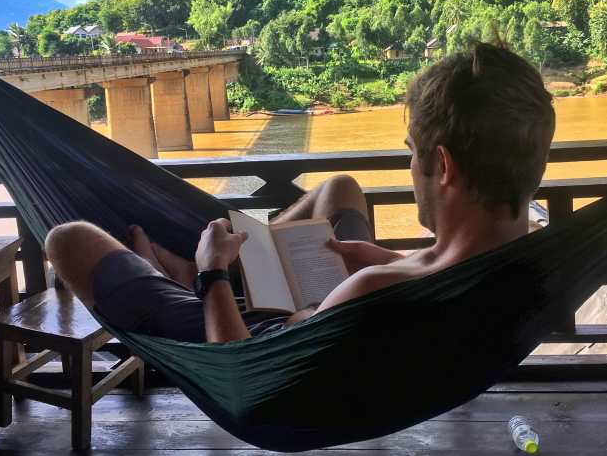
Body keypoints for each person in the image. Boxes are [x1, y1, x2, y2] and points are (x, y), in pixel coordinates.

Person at [45, 42, 555, 343]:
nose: (409, 167)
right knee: (340, 188)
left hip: (250, 340)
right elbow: (436, 277)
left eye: (411, 153)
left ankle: (186, 279)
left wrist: (212, 274)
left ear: (441, 166)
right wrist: (388, 259)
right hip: (331, 322)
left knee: (68, 240)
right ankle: (221, 269)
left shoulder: (371, 289)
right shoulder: (534, 261)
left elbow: (243, 379)